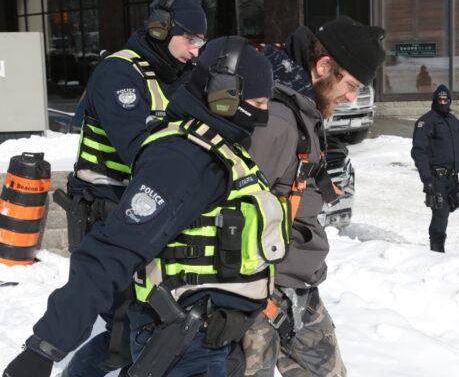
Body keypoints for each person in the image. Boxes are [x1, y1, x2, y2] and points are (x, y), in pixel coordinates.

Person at [2, 36, 289, 377]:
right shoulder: (182, 158)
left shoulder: (220, 148)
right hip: (186, 343)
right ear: (224, 94)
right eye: (256, 100)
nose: (264, 112)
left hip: (213, 340)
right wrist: (45, 346)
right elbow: (113, 249)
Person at [52, 0, 208, 376]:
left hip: (150, 214)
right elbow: (141, 150)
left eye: (200, 44)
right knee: (123, 334)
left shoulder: (180, 76)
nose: (195, 52)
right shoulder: (119, 72)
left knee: (146, 327)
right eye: (190, 40)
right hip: (108, 212)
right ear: (160, 28)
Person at [242, 17, 386, 377]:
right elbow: (236, 203)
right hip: (258, 293)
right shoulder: (278, 117)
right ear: (323, 67)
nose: (352, 97)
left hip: (297, 286)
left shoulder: (300, 105)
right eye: (351, 84)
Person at [411, 85, 459, 253]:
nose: (443, 103)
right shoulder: (426, 122)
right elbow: (418, 152)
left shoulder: (454, 122)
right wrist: (427, 180)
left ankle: (439, 244)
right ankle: (437, 249)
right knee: (440, 212)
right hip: (435, 177)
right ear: (435, 101)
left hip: (452, 177)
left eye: (446, 100)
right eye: (440, 100)